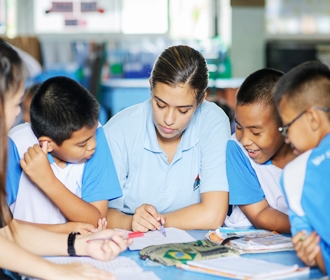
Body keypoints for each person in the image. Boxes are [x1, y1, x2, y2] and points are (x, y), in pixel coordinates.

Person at [0, 38, 131, 279]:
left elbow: (6, 234)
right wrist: (60, 271)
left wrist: (76, 243)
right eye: (16, 103)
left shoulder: (94, 137)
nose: (19, 113)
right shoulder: (14, 145)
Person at [104, 45, 230, 232]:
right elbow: (97, 213)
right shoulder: (119, 132)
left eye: (183, 110)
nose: (169, 120)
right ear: (150, 85)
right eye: (160, 104)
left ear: (202, 99)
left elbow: (213, 214)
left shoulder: (214, 123)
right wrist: (130, 222)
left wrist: (154, 223)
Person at [6, 76, 122, 234]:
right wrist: (63, 230)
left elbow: (97, 220)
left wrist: (48, 181)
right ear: (48, 143)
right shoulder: (14, 145)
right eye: (82, 144)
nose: (93, 145)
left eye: (94, 135)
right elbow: (4, 229)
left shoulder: (91, 133)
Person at [273, 61, 330, 274]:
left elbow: (311, 249)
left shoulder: (296, 173)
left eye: (287, 127)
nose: (286, 138)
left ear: (313, 119)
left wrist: (316, 256)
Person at [224, 68, 295, 234]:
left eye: (256, 132)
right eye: (239, 127)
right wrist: (311, 228)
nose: (245, 140)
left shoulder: (307, 150)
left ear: (284, 125)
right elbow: (260, 214)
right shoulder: (236, 149)